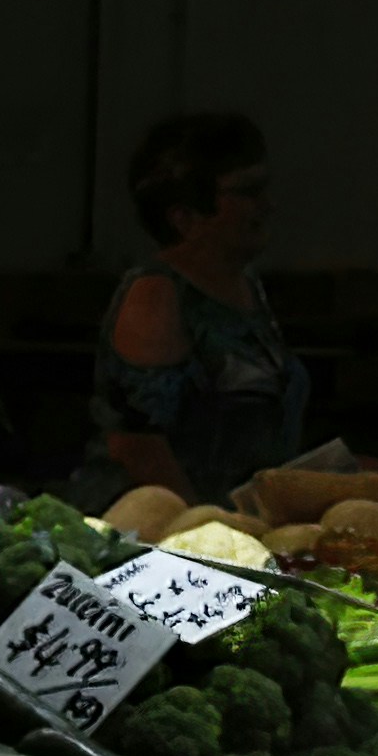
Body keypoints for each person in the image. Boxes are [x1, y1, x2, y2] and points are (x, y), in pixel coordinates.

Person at [94, 111, 305, 505]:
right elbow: (138, 447)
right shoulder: (156, 295)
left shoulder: (247, 287)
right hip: (165, 532)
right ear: (184, 217)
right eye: (248, 192)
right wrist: (206, 533)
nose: (267, 205)